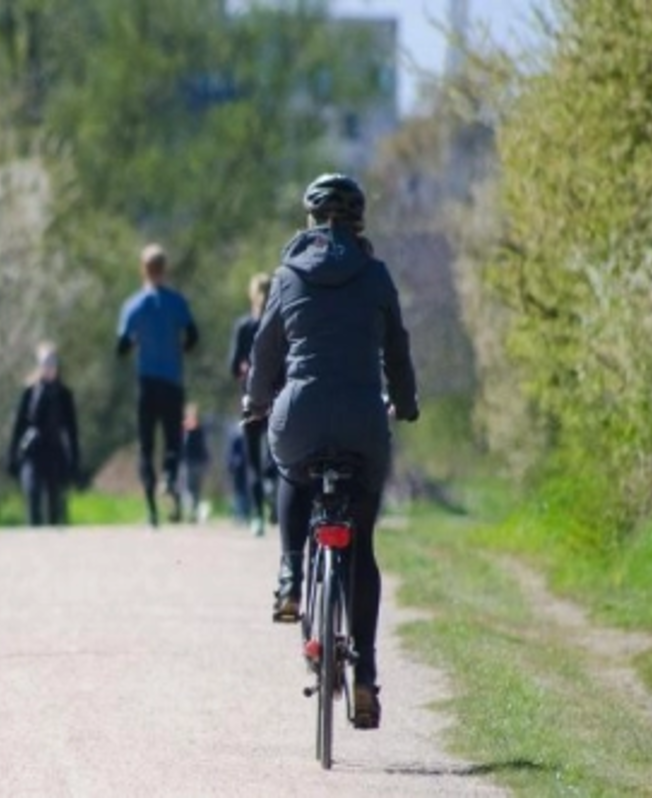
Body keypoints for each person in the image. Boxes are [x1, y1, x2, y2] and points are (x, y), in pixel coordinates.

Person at [243, 173, 418, 730]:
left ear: (311, 221)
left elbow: (265, 350)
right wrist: (406, 402)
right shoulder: (376, 276)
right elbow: (397, 348)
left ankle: (292, 575)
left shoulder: (288, 276)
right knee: (361, 543)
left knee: (292, 473)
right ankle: (364, 671)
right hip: (365, 422)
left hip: (301, 417)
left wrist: (254, 402)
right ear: (359, 222)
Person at [116, 243, 199, 527]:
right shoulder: (177, 302)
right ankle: (169, 476)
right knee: (173, 440)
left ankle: (152, 510)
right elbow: (193, 335)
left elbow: (122, 347)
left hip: (146, 382)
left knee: (146, 445)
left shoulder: (133, 306)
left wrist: (137, 342)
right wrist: (182, 347)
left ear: (143, 269)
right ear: (165, 269)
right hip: (172, 381)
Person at [7, 342, 80, 527]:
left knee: (55, 502)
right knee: (32, 493)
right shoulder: (30, 392)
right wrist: (12, 456)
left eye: (52, 363)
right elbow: (19, 426)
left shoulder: (65, 394)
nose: (48, 367)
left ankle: (53, 543)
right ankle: (34, 537)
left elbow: (72, 430)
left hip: (55, 452)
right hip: (33, 452)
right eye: (45, 363)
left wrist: (75, 460)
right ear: (39, 366)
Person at [228, 273, 275, 537]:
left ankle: (257, 515)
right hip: (276, 397)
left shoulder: (244, 327)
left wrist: (245, 370)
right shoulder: (280, 324)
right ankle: (271, 487)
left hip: (249, 399)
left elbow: (233, 365)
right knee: (275, 451)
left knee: (252, 461)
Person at [179, 402, 210, 523]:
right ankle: (192, 512)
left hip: (194, 463)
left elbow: (202, 447)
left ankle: (194, 512)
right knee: (190, 489)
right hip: (189, 463)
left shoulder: (194, 429)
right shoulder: (186, 429)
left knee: (193, 490)